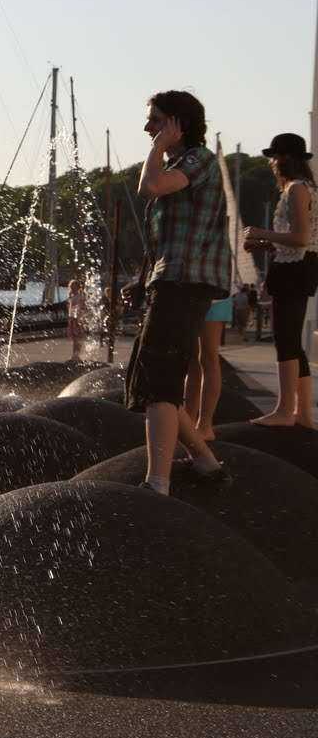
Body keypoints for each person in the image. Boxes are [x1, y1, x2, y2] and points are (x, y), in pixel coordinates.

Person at [125, 90, 232, 494]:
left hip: (186, 283)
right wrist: (142, 280)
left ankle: (158, 482)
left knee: (160, 379)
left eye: (155, 120)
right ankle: (205, 461)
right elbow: (165, 237)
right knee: (150, 376)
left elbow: (151, 186)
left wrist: (157, 148)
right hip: (171, 280)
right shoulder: (182, 163)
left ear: (177, 124)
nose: (148, 127)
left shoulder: (197, 160)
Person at [241, 132, 317, 428]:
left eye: (274, 157)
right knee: (292, 340)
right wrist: (264, 245)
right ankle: (304, 415)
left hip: (295, 267)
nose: (271, 163)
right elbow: (302, 239)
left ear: (285, 158)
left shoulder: (297, 189)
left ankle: (285, 410)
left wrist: (262, 234)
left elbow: (299, 238)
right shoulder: (305, 187)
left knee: (285, 338)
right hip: (300, 264)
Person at [183, 300, 230, 441]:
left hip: (214, 295)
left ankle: (204, 425)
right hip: (191, 293)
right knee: (193, 361)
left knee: (208, 357)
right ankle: (188, 422)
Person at [65, 277, 88, 361]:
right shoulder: (72, 296)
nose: (72, 288)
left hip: (78, 318)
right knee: (75, 338)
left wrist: (80, 317)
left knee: (78, 337)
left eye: (74, 286)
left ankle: (76, 354)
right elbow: (70, 308)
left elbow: (83, 307)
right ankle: (75, 354)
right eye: (71, 286)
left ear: (77, 287)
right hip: (72, 318)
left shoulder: (80, 296)